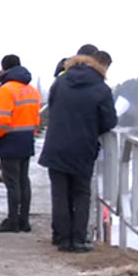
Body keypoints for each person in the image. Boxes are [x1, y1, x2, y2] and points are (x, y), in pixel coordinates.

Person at [38, 48, 117, 252]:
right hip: (83, 147)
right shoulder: (101, 88)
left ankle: (61, 237)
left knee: (60, 193)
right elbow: (108, 121)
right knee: (81, 193)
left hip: (56, 145)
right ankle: (78, 239)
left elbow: (52, 110)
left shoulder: (60, 82)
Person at [0, 55, 42, 233]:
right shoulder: (32, 90)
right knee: (23, 181)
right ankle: (24, 220)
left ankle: (12, 221)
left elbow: (2, 121)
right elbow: (36, 120)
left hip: (9, 140)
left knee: (12, 183)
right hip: (26, 140)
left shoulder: (6, 90)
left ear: (4, 69)